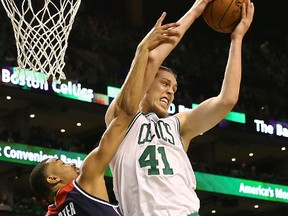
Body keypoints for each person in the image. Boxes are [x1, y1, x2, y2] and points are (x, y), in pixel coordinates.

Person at [105, 0, 255, 215]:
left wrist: (237, 38)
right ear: (146, 86)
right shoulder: (121, 118)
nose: (170, 91)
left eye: (174, 88)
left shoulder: (179, 124)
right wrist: (197, 9)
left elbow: (227, 100)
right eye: (165, 84)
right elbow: (151, 60)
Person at [28, 14, 180, 216]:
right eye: (62, 163)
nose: (72, 163)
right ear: (52, 179)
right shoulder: (85, 179)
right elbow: (126, 114)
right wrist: (142, 52)